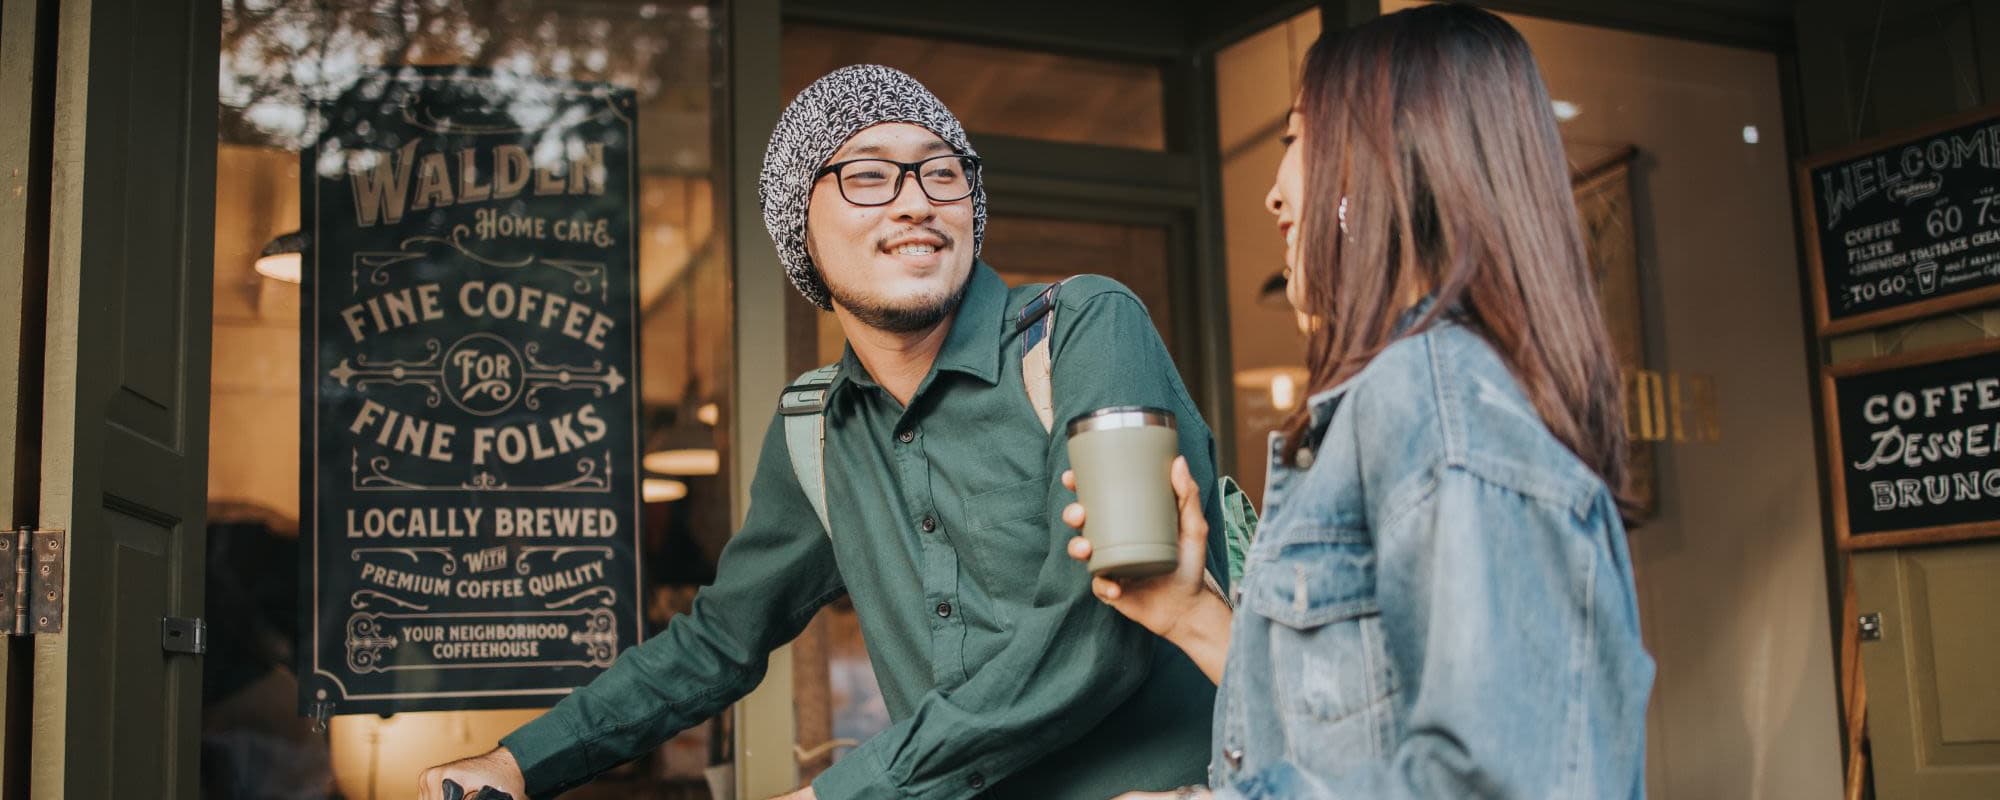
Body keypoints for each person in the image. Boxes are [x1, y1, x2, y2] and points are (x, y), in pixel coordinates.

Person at [419, 65, 1226, 800]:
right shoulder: (815, 427)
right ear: (797, 226)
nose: (917, 201)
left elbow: (1097, 633)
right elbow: (717, 644)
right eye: (869, 175)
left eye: (942, 173)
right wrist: (519, 762)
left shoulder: (1081, 329)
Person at [1062, 5, 1655, 798]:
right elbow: (1355, 732)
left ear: (1381, 166)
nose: (1274, 195)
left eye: (1296, 142)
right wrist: (1190, 617)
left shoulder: (1435, 398)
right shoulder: (1416, 395)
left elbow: (1506, 780)